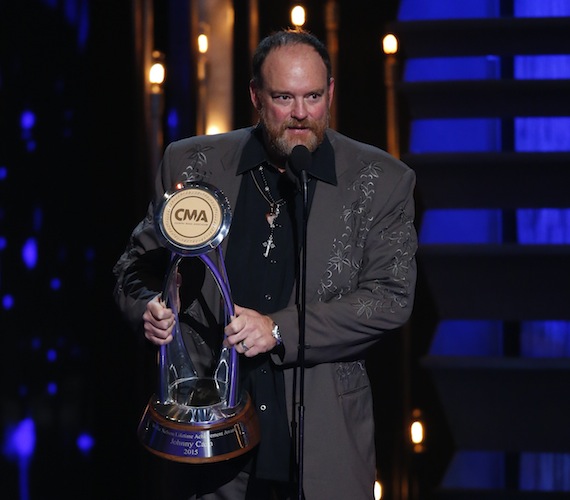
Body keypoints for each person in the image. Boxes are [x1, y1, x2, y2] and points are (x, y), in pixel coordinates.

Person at [113, 28, 417, 500]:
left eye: (313, 96)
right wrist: (150, 308)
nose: (300, 114)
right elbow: (135, 267)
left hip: (322, 450)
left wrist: (278, 330)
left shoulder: (381, 181)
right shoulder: (193, 164)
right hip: (210, 453)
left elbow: (390, 299)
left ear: (331, 93)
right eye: (284, 97)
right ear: (256, 96)